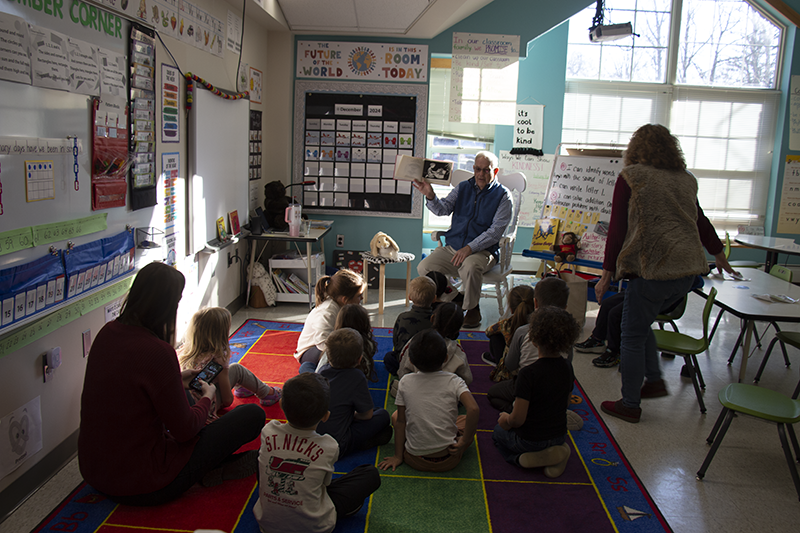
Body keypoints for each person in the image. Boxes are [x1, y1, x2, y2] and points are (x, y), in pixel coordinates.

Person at [78, 262, 266, 506]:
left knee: (188, 398)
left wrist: (177, 380)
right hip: (145, 484)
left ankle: (215, 467)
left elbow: (131, 392)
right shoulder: (158, 352)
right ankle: (214, 470)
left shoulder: (106, 333)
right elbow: (186, 430)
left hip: (95, 473)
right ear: (166, 307)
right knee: (251, 415)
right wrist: (208, 397)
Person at [594, 124, 738, 424]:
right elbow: (699, 220)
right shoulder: (685, 179)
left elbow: (617, 229)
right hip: (686, 272)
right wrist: (719, 254)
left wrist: (607, 273)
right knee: (641, 321)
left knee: (631, 334)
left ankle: (630, 404)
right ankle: (656, 379)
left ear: (634, 149)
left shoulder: (631, 177)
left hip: (651, 269)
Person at [254, 373, 381, 533]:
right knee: (370, 474)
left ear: (280, 404)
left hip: (267, 525)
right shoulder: (329, 445)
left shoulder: (268, 431)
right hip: (315, 527)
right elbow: (325, 485)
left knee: (260, 455)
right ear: (326, 416)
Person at [414, 151, 513, 328]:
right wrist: (430, 195)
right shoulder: (463, 187)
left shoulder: (503, 196)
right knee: (424, 266)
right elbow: (442, 209)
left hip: (483, 251)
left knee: (470, 265)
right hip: (454, 247)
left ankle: (473, 308)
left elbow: (495, 232)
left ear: (495, 171)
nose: (480, 174)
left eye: (486, 170)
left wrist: (469, 248)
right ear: (473, 169)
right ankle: (455, 297)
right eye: (477, 169)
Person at [492, 306, 580, 477]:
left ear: (533, 338)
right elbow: (567, 402)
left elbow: (517, 419)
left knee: (497, 433)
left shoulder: (528, 373)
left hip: (529, 441)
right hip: (559, 436)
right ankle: (556, 456)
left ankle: (520, 458)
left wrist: (505, 420)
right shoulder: (567, 367)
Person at [378, 329, 479, 473]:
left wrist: (397, 456)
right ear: (445, 358)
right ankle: (454, 441)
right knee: (465, 420)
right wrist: (463, 441)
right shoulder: (455, 380)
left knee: (396, 416)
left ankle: (413, 445)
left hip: (414, 458)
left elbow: (400, 422)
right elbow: (474, 409)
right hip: (449, 459)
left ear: (411, 360)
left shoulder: (405, 381)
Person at [179, 307, 281, 418]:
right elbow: (227, 400)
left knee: (230, 370)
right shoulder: (218, 357)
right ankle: (268, 393)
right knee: (237, 368)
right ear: (221, 333)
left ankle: (242, 387)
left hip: (189, 404)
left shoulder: (184, 352)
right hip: (207, 405)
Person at [315, 328, 392, 457]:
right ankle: (361, 444)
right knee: (383, 415)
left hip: (316, 439)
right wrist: (353, 415)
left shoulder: (322, 371)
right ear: (359, 359)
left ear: (328, 356)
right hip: (339, 444)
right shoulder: (357, 377)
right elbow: (367, 415)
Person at [294, 268, 365, 370]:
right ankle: (313, 373)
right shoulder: (327, 312)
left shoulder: (342, 306)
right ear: (345, 299)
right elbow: (322, 342)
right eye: (359, 296)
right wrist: (342, 354)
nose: (361, 298)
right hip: (312, 350)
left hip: (331, 343)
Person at [397, 302, 473, 386]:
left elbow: (403, 370)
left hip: (416, 390)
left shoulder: (416, 341)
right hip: (445, 394)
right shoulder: (458, 352)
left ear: (432, 318)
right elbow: (467, 379)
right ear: (457, 330)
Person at [383, 275, 436, 375]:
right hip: (430, 363)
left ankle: (403, 374)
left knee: (389, 357)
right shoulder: (437, 319)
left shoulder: (402, 317)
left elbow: (397, 343)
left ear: (410, 297)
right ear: (434, 298)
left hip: (407, 361)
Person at [481, 285, 535, 367]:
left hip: (513, 369)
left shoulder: (506, 324)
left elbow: (488, 331)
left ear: (511, 309)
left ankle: (499, 363)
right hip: (537, 367)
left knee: (495, 336)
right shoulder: (542, 323)